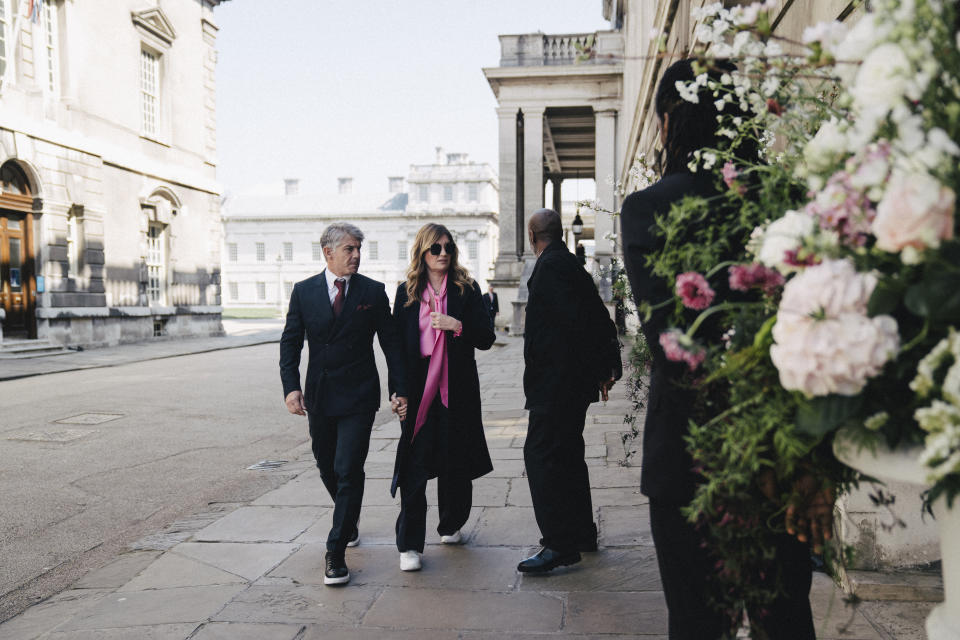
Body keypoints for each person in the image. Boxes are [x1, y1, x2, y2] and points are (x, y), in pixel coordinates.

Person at [620, 60, 825, 639]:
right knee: (783, 617)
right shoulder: (785, 199)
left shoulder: (646, 207)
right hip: (779, 448)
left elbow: (668, 342)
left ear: (669, 123)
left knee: (695, 621)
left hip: (685, 448)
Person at [279, 222, 407, 586]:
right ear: (328, 252)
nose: (356, 255)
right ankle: (347, 520)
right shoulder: (303, 292)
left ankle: (335, 552)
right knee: (326, 464)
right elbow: (290, 343)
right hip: (319, 394)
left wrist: (399, 389)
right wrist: (291, 387)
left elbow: (392, 345)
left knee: (349, 468)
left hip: (358, 395)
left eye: (358, 249)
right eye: (349, 249)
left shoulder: (372, 291)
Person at [518, 208, 621, 573]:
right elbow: (596, 317)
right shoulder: (571, 263)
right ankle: (581, 533)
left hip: (556, 385)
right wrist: (607, 365)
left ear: (533, 236)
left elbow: (565, 331)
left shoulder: (550, 267)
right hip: (570, 383)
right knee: (568, 454)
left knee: (541, 456)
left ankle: (559, 543)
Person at [390, 223, 496, 571]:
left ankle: (451, 523)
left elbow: (486, 337)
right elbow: (397, 350)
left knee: (456, 460)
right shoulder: (406, 292)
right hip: (419, 387)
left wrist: (457, 325)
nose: (443, 253)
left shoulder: (466, 288)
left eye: (448, 247)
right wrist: (398, 391)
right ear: (422, 252)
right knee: (415, 464)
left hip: (457, 385)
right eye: (436, 248)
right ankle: (409, 545)